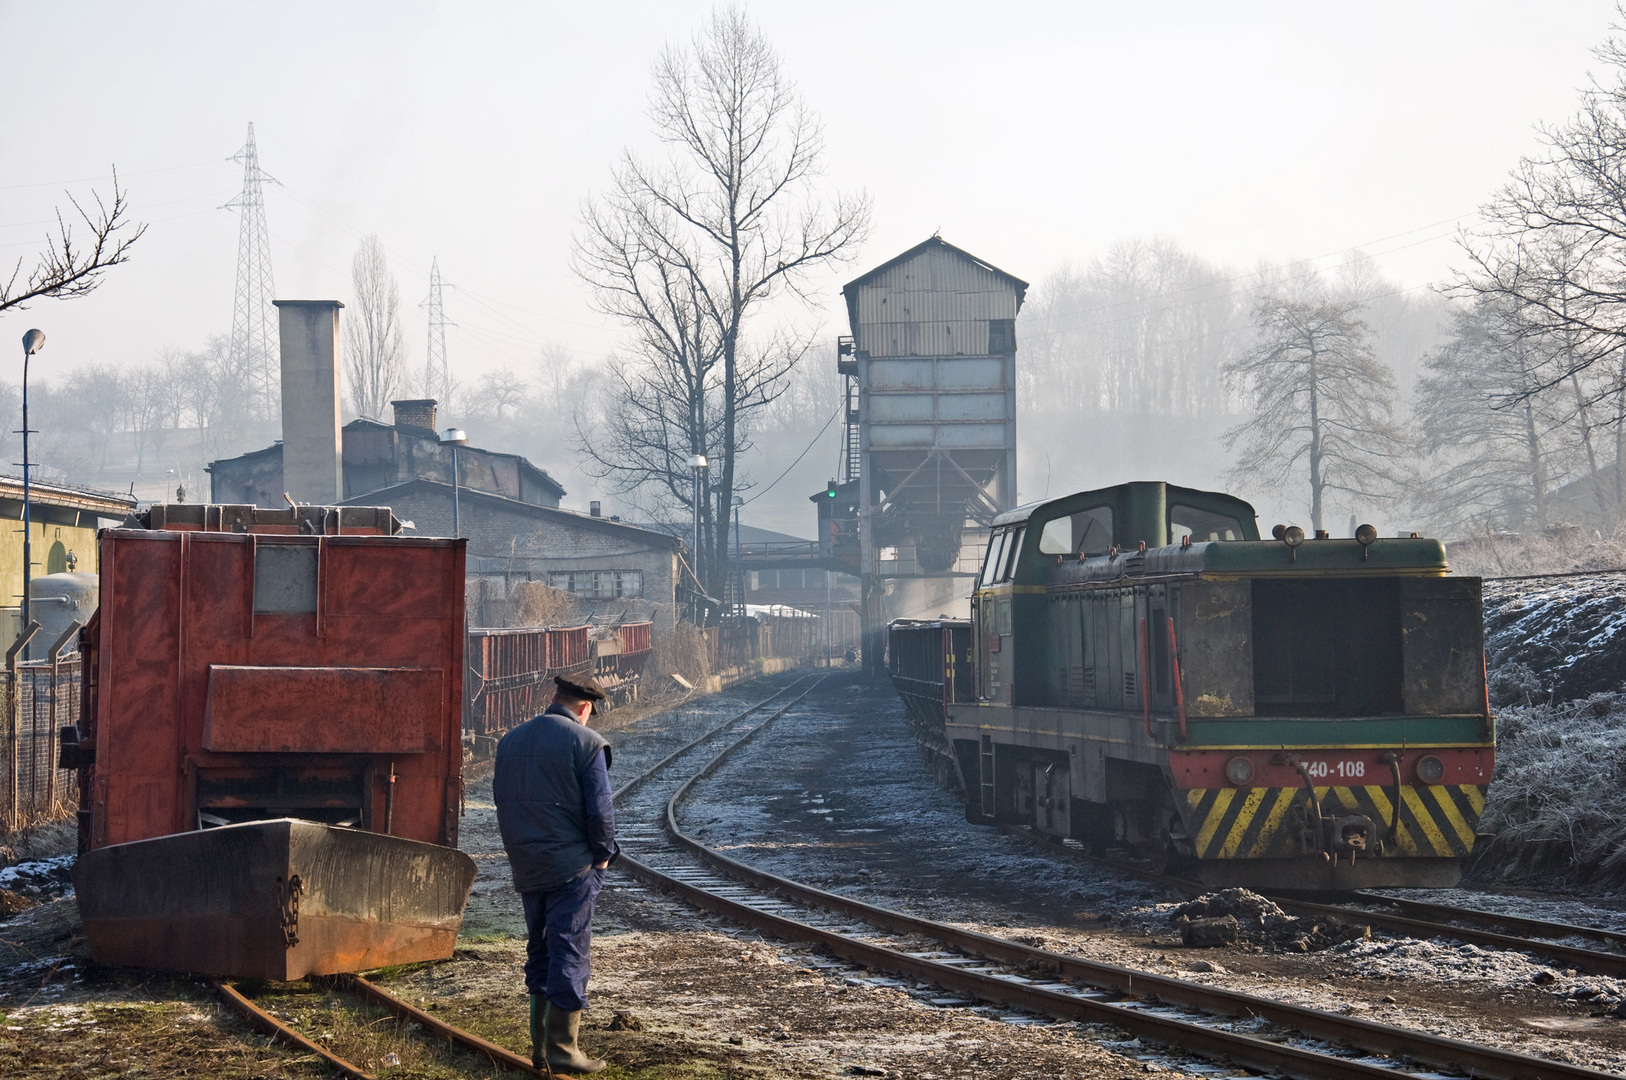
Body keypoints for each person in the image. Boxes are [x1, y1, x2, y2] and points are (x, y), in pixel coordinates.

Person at [494, 675, 616, 1074]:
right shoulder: (586, 742)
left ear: (555, 699)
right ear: (585, 708)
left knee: (540, 951)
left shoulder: (510, 741)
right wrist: (602, 856)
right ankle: (563, 1049)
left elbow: (501, 801)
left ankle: (541, 1049)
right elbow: (600, 812)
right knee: (569, 951)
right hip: (572, 869)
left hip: (527, 865)